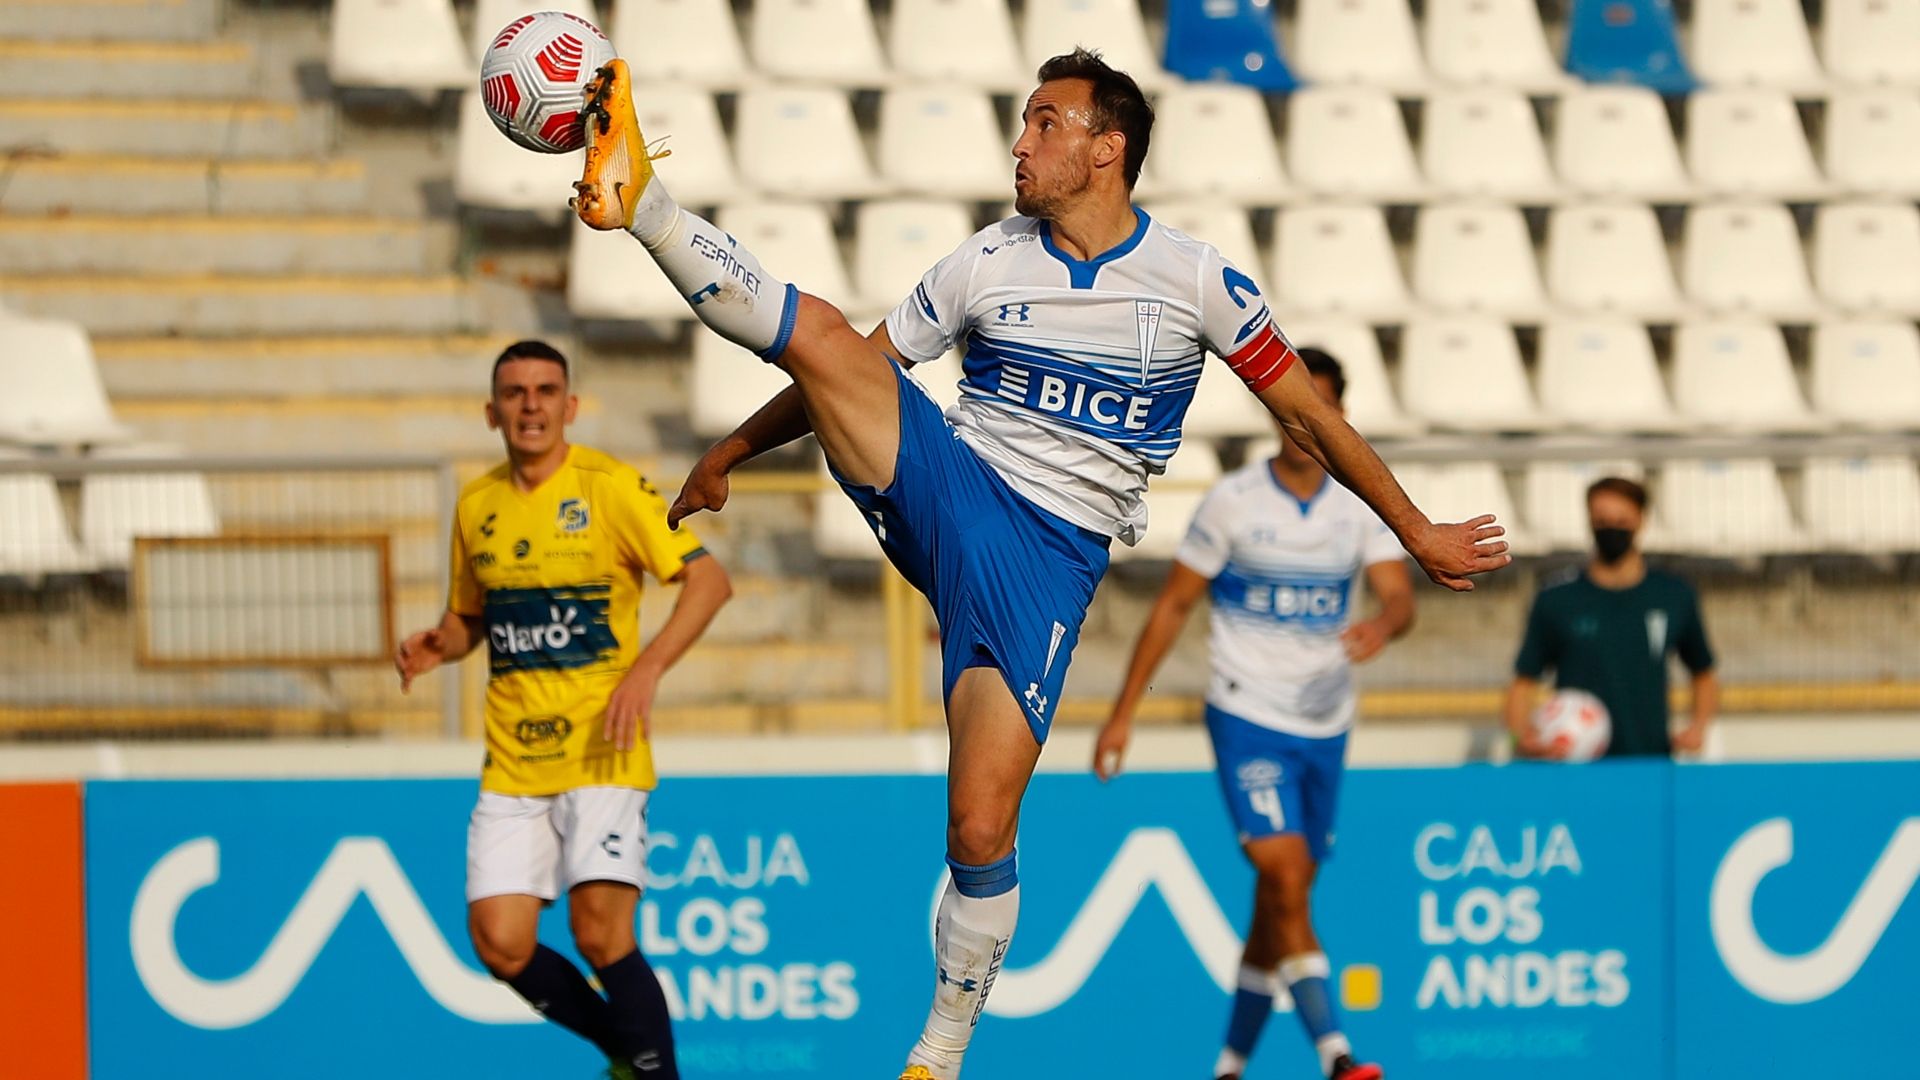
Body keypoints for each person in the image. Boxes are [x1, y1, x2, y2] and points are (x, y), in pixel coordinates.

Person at [570, 48, 1508, 1080]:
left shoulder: (1199, 281)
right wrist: (732, 451)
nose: (1021, 144)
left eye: (1044, 124)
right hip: (952, 486)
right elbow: (853, 365)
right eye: (1023, 123)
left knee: (978, 825)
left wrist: (1415, 529)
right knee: (833, 337)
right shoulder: (988, 259)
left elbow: (1310, 418)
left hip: (1050, 562)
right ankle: (646, 202)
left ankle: (939, 1053)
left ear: (1108, 150)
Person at [393, 340, 733, 1079]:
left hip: (601, 752)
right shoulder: (476, 504)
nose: (531, 405)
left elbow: (708, 583)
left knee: (601, 935)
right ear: (492, 412)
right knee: (501, 943)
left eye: (546, 390)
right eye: (515, 393)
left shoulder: (610, 488)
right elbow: (473, 619)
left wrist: (647, 667)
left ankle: (653, 1073)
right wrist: (438, 644)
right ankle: (627, 1052)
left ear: (570, 407)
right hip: (515, 761)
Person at [1092, 349, 1409, 1080]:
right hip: (1246, 712)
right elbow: (1173, 605)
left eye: (1322, 408)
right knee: (1285, 873)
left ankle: (1230, 1065)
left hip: (1325, 720)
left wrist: (1384, 625)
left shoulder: (1355, 503)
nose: (1307, 425)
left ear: (1341, 416)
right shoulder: (1234, 502)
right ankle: (1337, 1054)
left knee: (1280, 898)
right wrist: (1122, 714)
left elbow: (1399, 596)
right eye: (1297, 407)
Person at [1504, 475, 1718, 759]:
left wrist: (1698, 727)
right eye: (1602, 520)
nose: (1611, 530)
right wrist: (1519, 737)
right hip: (1576, 766)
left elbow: (1703, 672)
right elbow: (1523, 682)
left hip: (1649, 760)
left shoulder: (1673, 594)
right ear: (1589, 520)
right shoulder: (1557, 599)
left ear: (1641, 519)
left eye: (1621, 521)